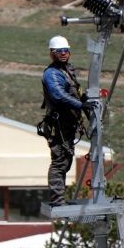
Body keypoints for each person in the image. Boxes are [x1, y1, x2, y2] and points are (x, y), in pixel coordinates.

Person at [40, 35, 85, 207]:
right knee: (59, 162)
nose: (64, 54)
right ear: (52, 54)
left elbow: (73, 92)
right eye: (59, 51)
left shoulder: (66, 71)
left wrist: (84, 101)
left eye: (66, 50)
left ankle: (60, 199)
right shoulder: (52, 74)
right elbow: (59, 96)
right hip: (58, 126)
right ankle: (57, 202)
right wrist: (81, 105)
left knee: (65, 161)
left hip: (67, 125)